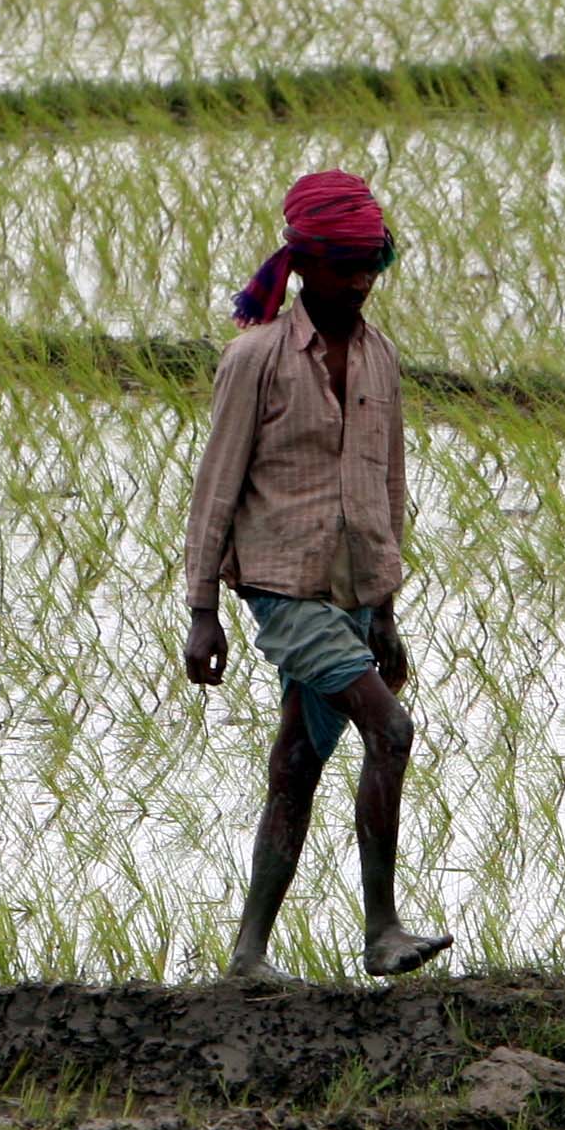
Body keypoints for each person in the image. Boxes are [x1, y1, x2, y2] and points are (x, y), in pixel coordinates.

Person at [180, 169, 451, 981]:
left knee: (297, 765)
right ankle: (383, 931)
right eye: (345, 265)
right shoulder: (256, 359)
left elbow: (387, 489)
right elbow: (216, 487)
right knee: (391, 732)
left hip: (352, 598)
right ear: (303, 267)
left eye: (372, 263)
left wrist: (385, 612)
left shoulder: (381, 361)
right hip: (283, 592)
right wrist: (203, 610)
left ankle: (247, 956)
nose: (361, 280)